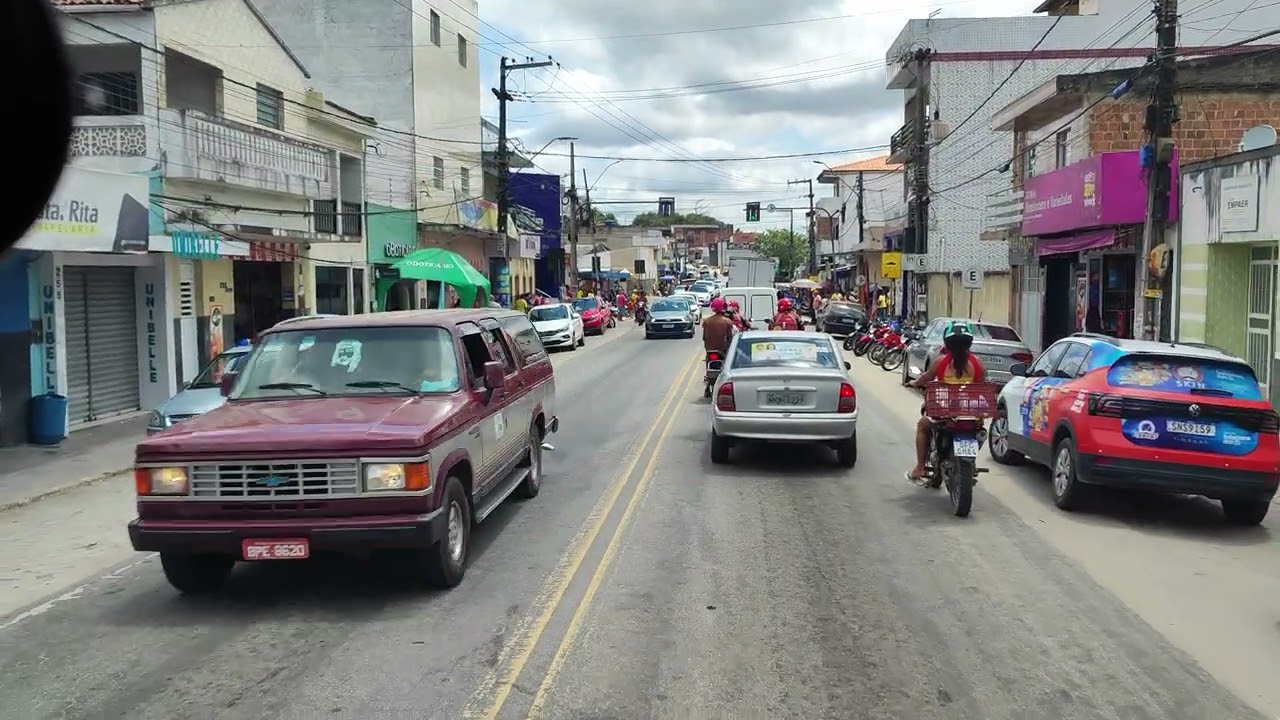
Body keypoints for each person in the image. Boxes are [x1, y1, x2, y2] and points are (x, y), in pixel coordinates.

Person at [906, 321, 986, 484]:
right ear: (969, 343)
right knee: (979, 430)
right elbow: (981, 387)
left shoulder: (941, 362)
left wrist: (915, 383)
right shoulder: (978, 363)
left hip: (945, 413)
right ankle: (970, 461)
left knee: (923, 425)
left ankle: (920, 467)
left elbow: (926, 378)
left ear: (947, 343)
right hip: (970, 414)